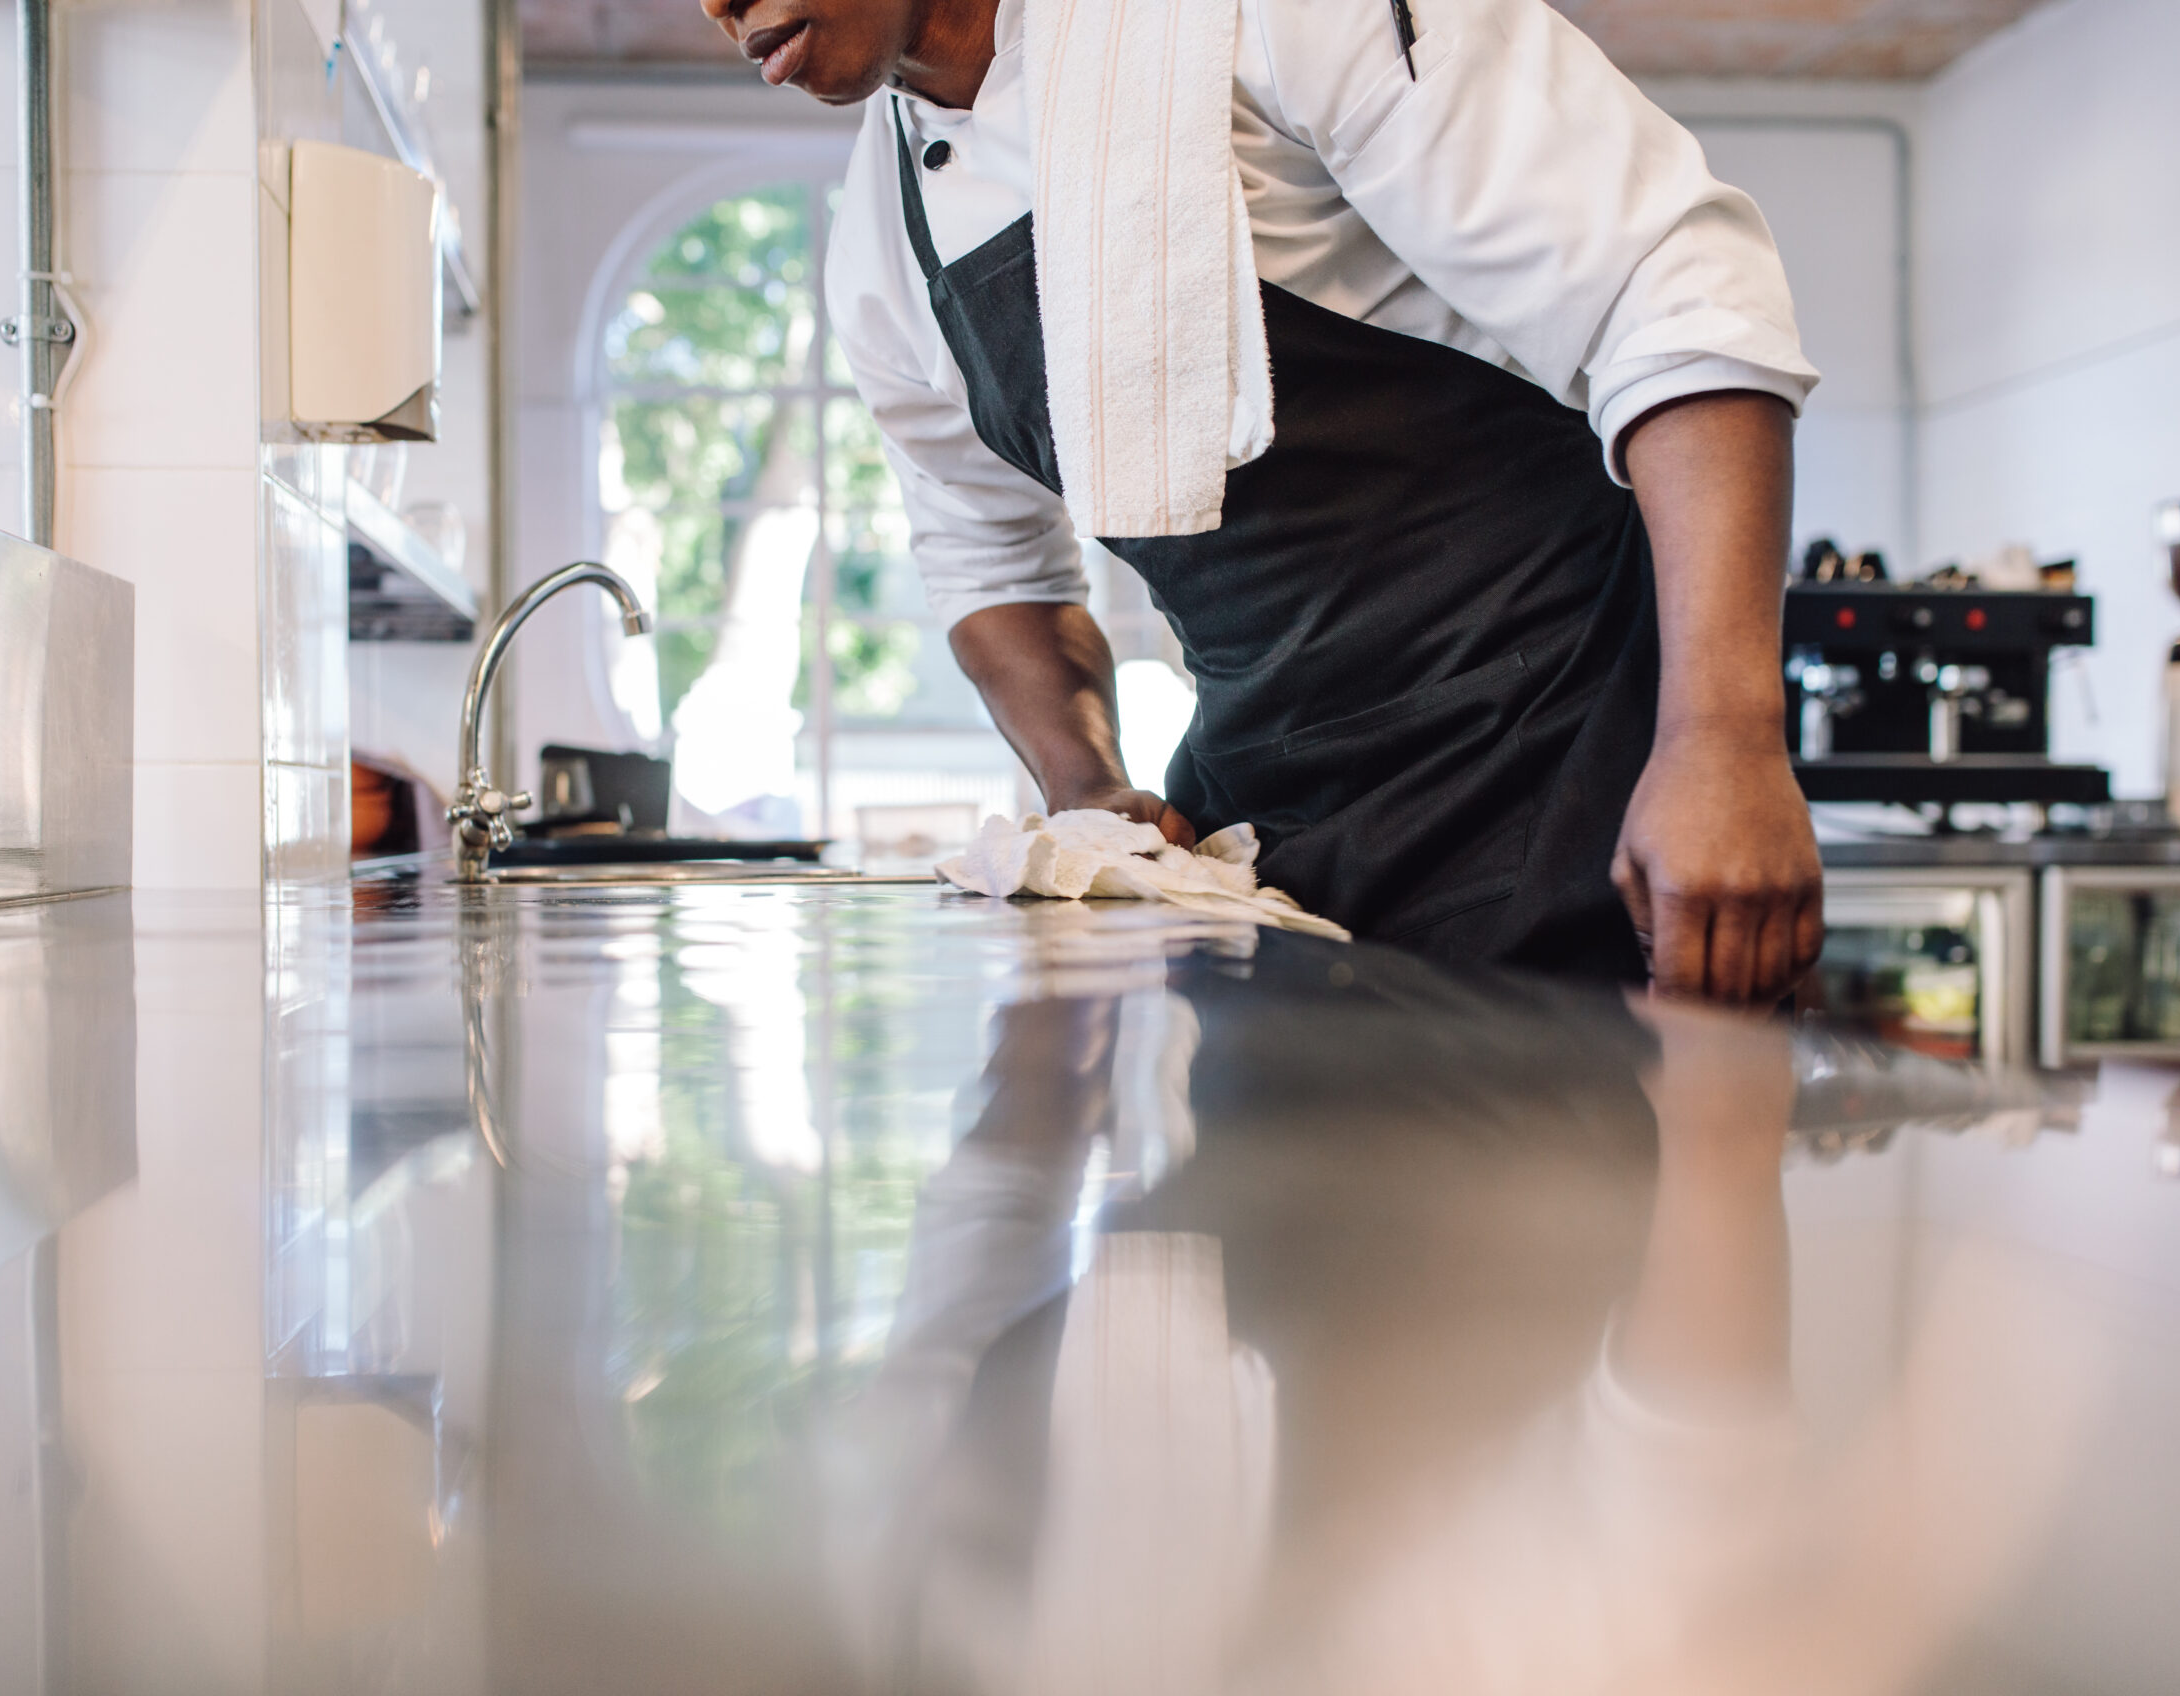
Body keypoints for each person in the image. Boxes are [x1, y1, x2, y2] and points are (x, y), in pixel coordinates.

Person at [701, 0, 1825, 1003]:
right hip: (1264, 837)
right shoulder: (876, 244)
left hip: (1566, 766)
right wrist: (1090, 789)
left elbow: (1674, 302)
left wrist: (1722, 739)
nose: (716, 3)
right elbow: (992, 570)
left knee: (1579, 1223)